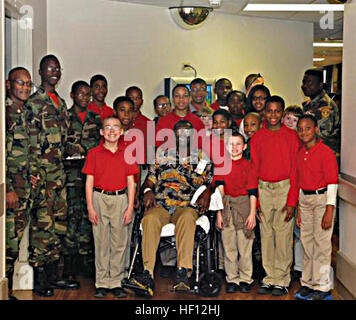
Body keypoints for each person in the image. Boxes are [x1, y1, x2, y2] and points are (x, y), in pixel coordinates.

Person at [129, 120, 214, 296]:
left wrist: (207, 192)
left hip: (186, 205)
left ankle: (183, 272)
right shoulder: (162, 154)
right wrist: (146, 191)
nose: (183, 136)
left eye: (187, 132)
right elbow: (150, 179)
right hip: (161, 203)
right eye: (180, 132)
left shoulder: (202, 157)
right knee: (149, 219)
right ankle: (147, 274)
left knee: (187, 219)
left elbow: (210, 182)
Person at [26, 55, 78, 296]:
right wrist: (33, 172)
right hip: (42, 176)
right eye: (50, 69)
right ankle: (39, 278)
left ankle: (54, 275)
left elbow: (61, 140)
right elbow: (30, 142)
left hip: (60, 175)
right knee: (42, 225)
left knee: (59, 224)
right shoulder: (34, 103)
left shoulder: (60, 103)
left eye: (57, 69)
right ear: (40, 72)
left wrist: (73, 149)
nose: (54, 72)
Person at [82, 116, 138, 298]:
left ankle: (116, 281)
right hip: (99, 198)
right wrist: (90, 207)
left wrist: (130, 207)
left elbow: (132, 182)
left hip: (120, 199)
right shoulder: (94, 153)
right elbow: (89, 182)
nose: (112, 131)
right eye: (107, 127)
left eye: (116, 127)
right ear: (101, 132)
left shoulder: (127, 152)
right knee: (101, 241)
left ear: (122, 131)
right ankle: (101, 281)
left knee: (119, 242)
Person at [250, 96, 301, 296]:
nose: (273, 115)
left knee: (283, 234)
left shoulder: (292, 136)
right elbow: (254, 169)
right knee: (266, 234)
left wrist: (291, 201)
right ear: (264, 113)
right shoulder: (257, 137)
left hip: (284, 188)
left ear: (283, 113)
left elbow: (296, 171)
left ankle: (282, 278)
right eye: (269, 111)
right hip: (263, 188)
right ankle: (269, 277)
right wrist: (256, 200)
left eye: (277, 111)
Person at [294, 115, 338, 301]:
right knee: (307, 242)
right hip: (305, 199)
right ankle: (308, 283)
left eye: (308, 128)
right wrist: (298, 208)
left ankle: (323, 286)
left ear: (316, 129)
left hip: (322, 200)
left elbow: (332, 183)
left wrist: (329, 209)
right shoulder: (300, 153)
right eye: (301, 129)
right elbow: (297, 181)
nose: (304, 132)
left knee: (321, 243)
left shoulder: (326, 152)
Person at [62, 81, 101, 283]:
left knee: (89, 218)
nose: (85, 98)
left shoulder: (97, 119)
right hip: (70, 178)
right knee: (70, 219)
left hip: (91, 178)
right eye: (81, 94)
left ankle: (86, 262)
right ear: (72, 95)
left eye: (88, 94)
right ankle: (69, 264)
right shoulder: (65, 118)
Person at [215, 131, 258, 294]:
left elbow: (253, 192)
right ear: (226, 147)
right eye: (231, 144)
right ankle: (232, 278)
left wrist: (252, 213)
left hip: (244, 206)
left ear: (244, 146)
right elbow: (219, 193)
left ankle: (246, 278)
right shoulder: (221, 165)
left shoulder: (249, 166)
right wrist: (219, 214)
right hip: (226, 208)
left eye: (238, 144)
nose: (234, 147)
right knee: (229, 246)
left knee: (245, 246)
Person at [5, 67, 33, 300]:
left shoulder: (26, 113)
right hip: (11, 191)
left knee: (15, 243)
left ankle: (9, 291)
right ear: (8, 84)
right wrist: (8, 189)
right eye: (20, 83)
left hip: (25, 188)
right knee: (7, 243)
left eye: (28, 84)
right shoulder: (5, 114)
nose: (24, 88)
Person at [281, 104, 304, 281]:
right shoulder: (279, 137)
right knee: (285, 231)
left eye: (295, 120)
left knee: (299, 231)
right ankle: (287, 267)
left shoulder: (301, 141)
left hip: (299, 189)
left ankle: (299, 267)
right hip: (282, 189)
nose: (290, 122)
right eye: (288, 118)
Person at [301, 68, 340, 164]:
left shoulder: (325, 106)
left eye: (309, 83)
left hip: (323, 158)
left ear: (320, 85)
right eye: (304, 82)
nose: (304, 86)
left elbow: (323, 135)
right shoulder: (310, 103)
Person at [155, 84, 205, 149]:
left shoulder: (197, 121)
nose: (181, 99)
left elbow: (201, 148)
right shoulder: (163, 121)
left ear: (189, 98)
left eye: (185, 96)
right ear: (173, 99)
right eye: (177, 96)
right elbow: (158, 148)